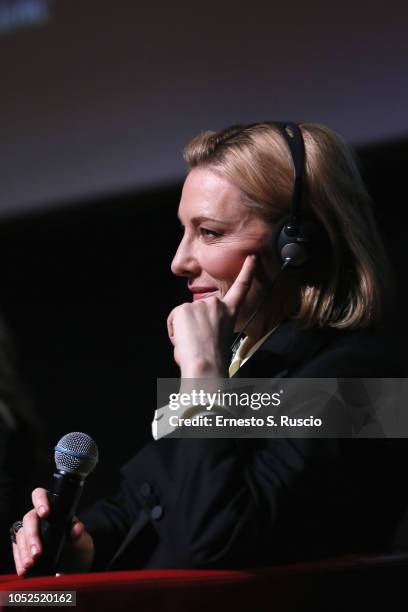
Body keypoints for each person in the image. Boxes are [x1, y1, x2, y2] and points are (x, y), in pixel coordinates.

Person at [10, 122, 407, 575]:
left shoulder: (366, 384)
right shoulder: (253, 363)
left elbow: (211, 545)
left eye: (211, 233)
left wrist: (201, 375)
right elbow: (148, 499)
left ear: (299, 246)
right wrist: (83, 541)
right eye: (185, 231)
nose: (179, 261)